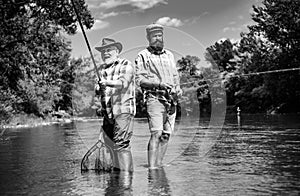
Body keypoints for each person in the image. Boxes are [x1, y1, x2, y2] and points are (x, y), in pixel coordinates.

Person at [135, 24, 182, 169]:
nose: (157, 38)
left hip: (171, 100)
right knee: (156, 133)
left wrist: (178, 89)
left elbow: (175, 77)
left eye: (160, 35)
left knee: (166, 135)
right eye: (154, 36)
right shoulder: (143, 55)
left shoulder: (170, 55)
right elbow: (139, 80)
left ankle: (159, 165)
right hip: (154, 98)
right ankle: (152, 169)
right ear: (148, 38)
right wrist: (158, 84)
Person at [94, 38, 135, 172]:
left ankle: (125, 183)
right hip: (108, 113)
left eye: (109, 50)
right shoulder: (101, 70)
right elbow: (97, 91)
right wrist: (100, 87)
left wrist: (107, 83)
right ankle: (117, 180)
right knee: (110, 145)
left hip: (123, 109)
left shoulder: (125, 64)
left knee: (121, 144)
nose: (105, 53)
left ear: (117, 51)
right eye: (103, 51)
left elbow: (124, 82)